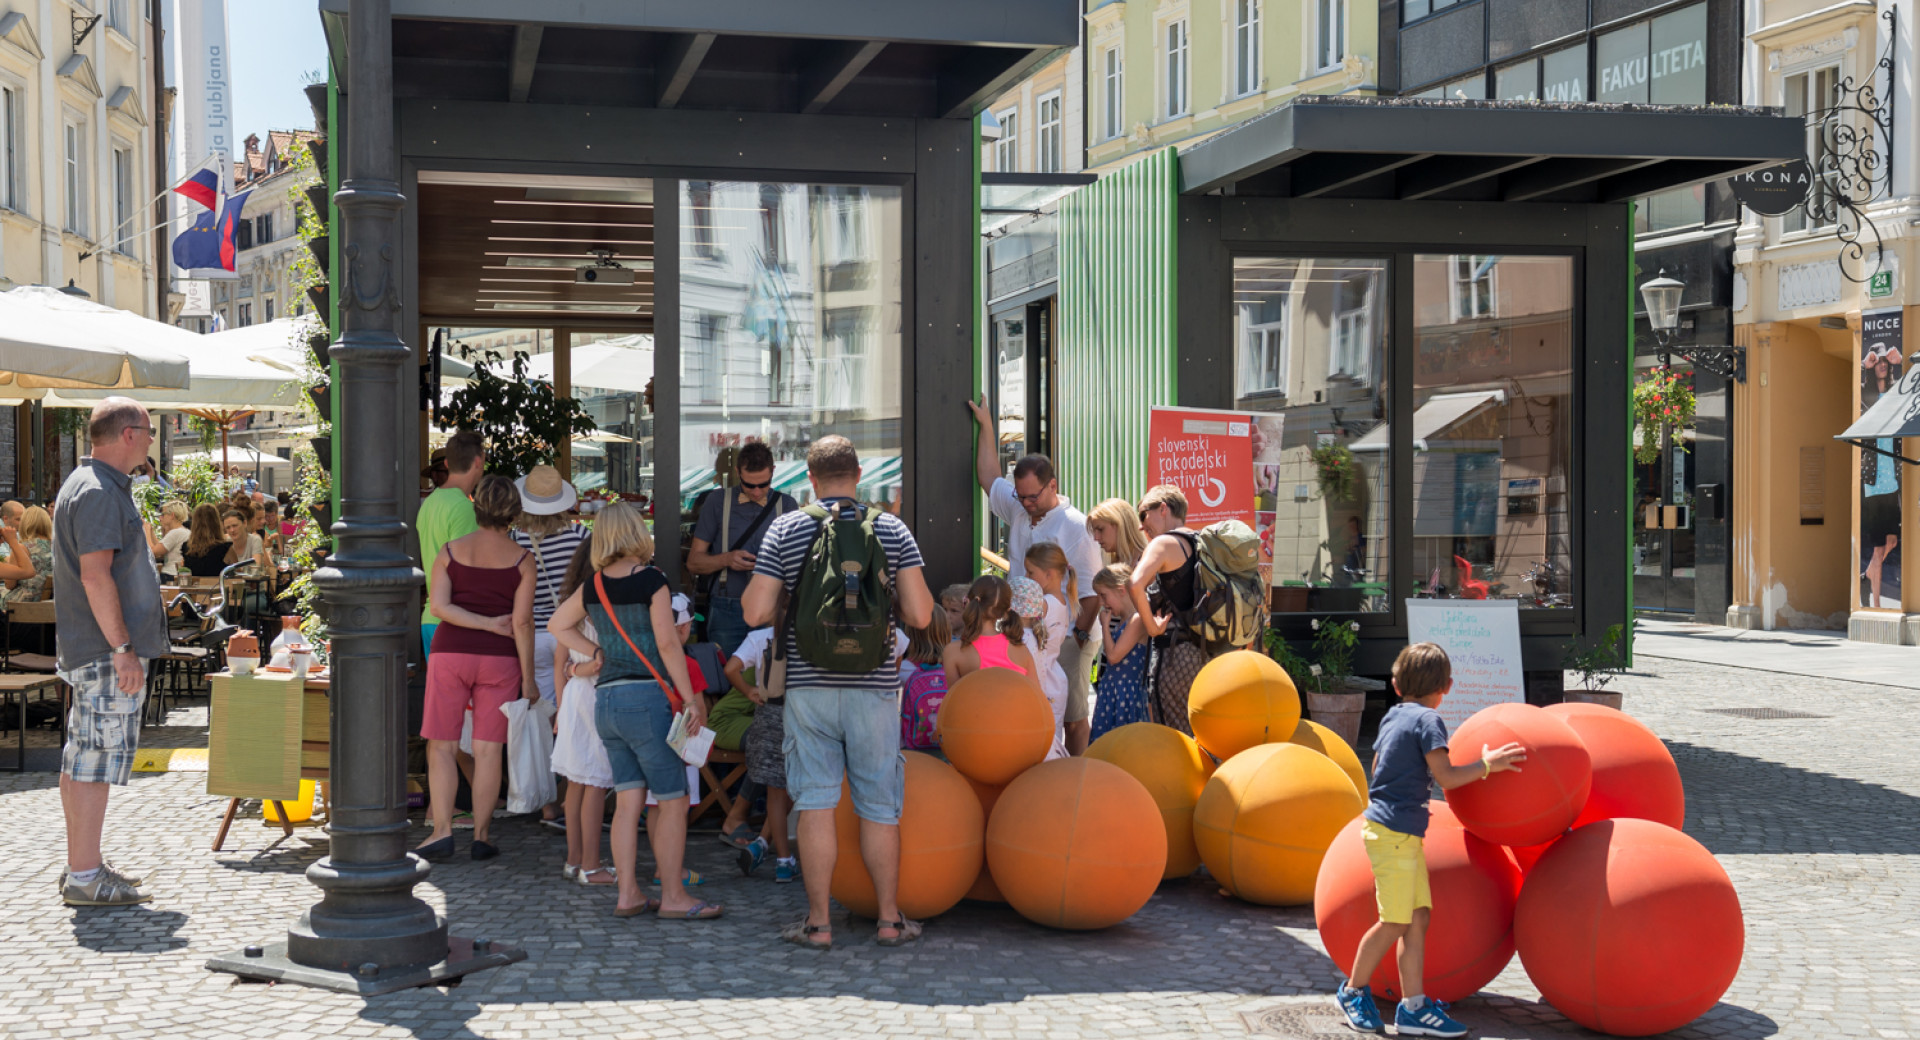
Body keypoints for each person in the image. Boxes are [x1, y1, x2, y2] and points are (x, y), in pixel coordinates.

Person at [742, 435, 933, 949]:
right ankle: (890, 921)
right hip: (872, 687)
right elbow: (920, 615)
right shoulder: (891, 528)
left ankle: (818, 924)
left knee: (817, 804)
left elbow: (754, 613)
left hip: (810, 688)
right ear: (858, 474)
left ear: (810, 478)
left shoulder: (786, 527)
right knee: (878, 806)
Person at [1336, 643, 1527, 1037]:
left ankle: (1413, 1007)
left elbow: (1377, 765)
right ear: (1448, 686)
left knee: (1417, 918)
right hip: (1394, 835)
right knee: (1394, 922)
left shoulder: (1394, 716)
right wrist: (1490, 765)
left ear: (1395, 683)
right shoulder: (1429, 722)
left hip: (1393, 831)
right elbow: (1447, 777)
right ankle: (1353, 991)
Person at [549, 501, 719, 921]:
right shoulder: (652, 581)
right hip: (647, 700)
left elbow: (557, 624)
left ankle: (628, 894)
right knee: (673, 800)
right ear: (637, 533)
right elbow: (666, 645)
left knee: (627, 801)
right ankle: (675, 897)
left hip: (606, 702)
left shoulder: (594, 586)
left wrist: (597, 651)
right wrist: (692, 698)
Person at [53, 398, 169, 906]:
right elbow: (95, 574)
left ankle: (84, 865)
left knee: (82, 758)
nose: (150, 440)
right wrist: (122, 648)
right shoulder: (99, 490)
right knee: (94, 762)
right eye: (148, 431)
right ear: (128, 434)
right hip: (105, 652)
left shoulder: (91, 485)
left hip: (95, 649)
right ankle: (84, 875)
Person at [968, 398, 1104, 755]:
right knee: (1030, 706)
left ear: (1052, 485)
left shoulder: (1075, 526)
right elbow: (988, 477)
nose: (1025, 503)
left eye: (1032, 496)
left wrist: (1074, 636)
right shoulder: (1017, 502)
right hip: (1023, 631)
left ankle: (1076, 776)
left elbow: (1091, 593)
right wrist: (985, 425)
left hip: (1068, 633)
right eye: (1021, 496)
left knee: (1071, 713)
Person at [416, 475, 538, 864]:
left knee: (442, 746)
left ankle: (442, 830)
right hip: (501, 660)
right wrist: (530, 678)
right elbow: (522, 624)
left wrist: (479, 622)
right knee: (488, 750)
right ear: (514, 513)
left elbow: (439, 607)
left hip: (450, 653)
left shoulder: (450, 552)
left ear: (476, 506)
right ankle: (482, 835)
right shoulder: (522, 560)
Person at [687, 441, 797, 658]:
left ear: (773, 472)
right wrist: (726, 559)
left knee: (768, 682)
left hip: (772, 607)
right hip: (726, 606)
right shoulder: (717, 502)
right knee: (726, 682)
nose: (756, 492)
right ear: (737, 472)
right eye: (749, 485)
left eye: (763, 484)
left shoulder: (787, 505)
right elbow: (693, 562)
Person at [549, 540, 616, 886]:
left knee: (576, 783)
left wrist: (561, 709)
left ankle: (575, 860)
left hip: (575, 695)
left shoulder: (570, 603)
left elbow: (560, 662)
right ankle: (591, 866)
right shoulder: (604, 602)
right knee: (594, 781)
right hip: (595, 694)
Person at [1128, 484, 1208, 736]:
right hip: (1206, 654)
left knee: (1175, 735)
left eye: (1143, 515)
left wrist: (1152, 627)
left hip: (1175, 658)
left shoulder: (1163, 543)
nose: (1141, 526)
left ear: (1163, 508)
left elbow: (1134, 583)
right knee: (1203, 733)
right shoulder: (1200, 542)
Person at [727, 610, 799, 883]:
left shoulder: (759, 639)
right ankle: (774, 849)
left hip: (769, 714)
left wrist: (748, 692)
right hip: (802, 714)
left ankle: (781, 860)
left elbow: (730, 668)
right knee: (801, 786)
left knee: (776, 792)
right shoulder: (810, 639)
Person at [511, 465, 589, 711]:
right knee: (578, 705)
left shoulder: (515, 540)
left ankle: (547, 749)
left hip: (535, 635)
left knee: (543, 708)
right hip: (575, 632)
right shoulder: (580, 535)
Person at [419, 432, 484, 652]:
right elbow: (467, 571)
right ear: (478, 461)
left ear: (447, 464)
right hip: (456, 620)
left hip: (432, 617)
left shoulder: (430, 503)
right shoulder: (463, 508)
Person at [1018, 552, 1073, 760]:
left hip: (1045, 680)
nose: (1026, 576)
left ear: (1049, 574)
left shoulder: (1045, 603)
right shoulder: (1059, 601)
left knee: (1046, 747)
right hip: (1052, 678)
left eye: (1031, 572)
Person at [940, 575, 1040, 687]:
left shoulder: (953, 652)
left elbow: (955, 700)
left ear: (967, 603)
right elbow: (1037, 697)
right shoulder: (1021, 651)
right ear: (1006, 610)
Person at [1089, 564, 1151, 741]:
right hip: (1113, 691)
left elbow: (1114, 656)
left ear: (1121, 590)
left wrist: (1105, 628)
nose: (1102, 603)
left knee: (1122, 743)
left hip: (1127, 693)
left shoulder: (1137, 619)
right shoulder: (1124, 619)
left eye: (1104, 595)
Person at [1086, 498, 1148, 569]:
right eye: (1094, 531)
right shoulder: (1111, 562)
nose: (1096, 538)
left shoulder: (1146, 561)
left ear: (1120, 525)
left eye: (1100, 529)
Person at [148, 501, 191, 580]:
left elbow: (152, 552)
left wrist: (146, 530)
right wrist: (151, 532)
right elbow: (161, 548)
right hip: (176, 574)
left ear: (172, 515)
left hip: (170, 575)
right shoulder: (182, 531)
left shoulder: (175, 533)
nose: (160, 518)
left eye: (163, 515)